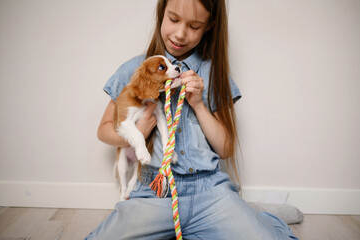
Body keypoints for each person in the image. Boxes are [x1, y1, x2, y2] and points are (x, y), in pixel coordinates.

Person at [85, 0, 298, 239]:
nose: (180, 34)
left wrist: (198, 104)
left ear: (209, 26)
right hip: (154, 192)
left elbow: (226, 148)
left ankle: (253, 215)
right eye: (174, 19)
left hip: (210, 192)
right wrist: (139, 133)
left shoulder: (215, 73)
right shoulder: (135, 69)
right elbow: (103, 130)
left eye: (194, 26)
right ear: (161, 13)